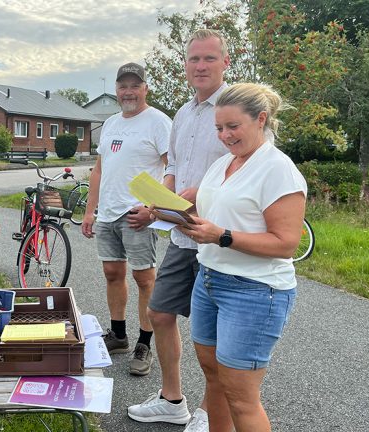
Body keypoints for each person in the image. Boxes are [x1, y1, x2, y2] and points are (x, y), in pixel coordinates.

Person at [179, 83, 306, 432]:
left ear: (261, 119)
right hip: (208, 280)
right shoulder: (223, 163)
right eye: (219, 128)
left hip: (253, 291)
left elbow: (285, 243)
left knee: (241, 396)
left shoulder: (278, 169)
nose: (224, 135)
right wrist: (173, 211)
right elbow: (217, 208)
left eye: (233, 126)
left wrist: (221, 236)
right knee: (214, 381)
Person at [127, 29, 230, 431]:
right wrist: (156, 204)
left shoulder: (235, 106)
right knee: (159, 312)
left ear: (225, 62)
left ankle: (209, 413)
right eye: (193, 59)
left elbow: (248, 167)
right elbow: (172, 171)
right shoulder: (184, 113)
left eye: (208, 59)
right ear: (184, 65)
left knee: (213, 334)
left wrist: (200, 192)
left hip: (217, 239)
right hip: (182, 235)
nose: (200, 66)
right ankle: (173, 400)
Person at [81, 62, 171, 376]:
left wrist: (154, 209)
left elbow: (171, 169)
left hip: (138, 214)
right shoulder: (110, 124)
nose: (128, 92)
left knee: (144, 278)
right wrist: (90, 210)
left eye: (135, 85)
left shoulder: (159, 122)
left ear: (145, 88)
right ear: (117, 90)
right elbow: (99, 170)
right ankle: (118, 335)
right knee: (111, 273)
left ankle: (144, 343)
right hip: (107, 213)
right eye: (123, 86)